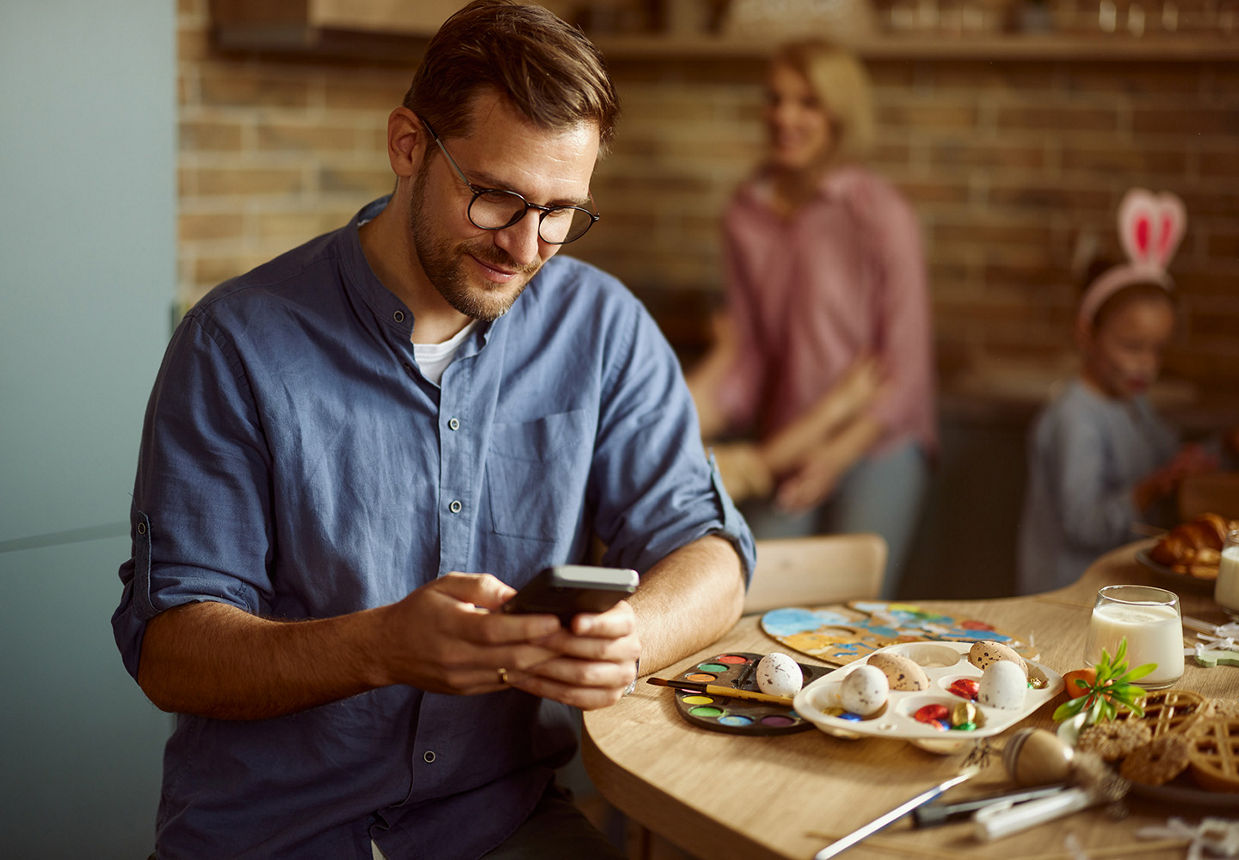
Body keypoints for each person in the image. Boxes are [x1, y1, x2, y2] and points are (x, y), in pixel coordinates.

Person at [110, 2, 754, 857]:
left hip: (502, 823)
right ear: (408, 144)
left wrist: (633, 638)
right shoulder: (235, 342)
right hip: (275, 833)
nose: (527, 247)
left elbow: (710, 553)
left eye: (562, 212)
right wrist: (378, 647)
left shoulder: (602, 328)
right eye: (496, 198)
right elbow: (172, 651)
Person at [686, 39, 936, 598]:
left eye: (808, 103)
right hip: (789, 437)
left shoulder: (881, 215)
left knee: (854, 614)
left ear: (839, 115)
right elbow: (748, 356)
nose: (785, 117)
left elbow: (907, 367)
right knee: (758, 600)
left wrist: (837, 452)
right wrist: (693, 411)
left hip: (879, 440)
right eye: (775, 100)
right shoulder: (744, 214)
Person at [1016, 188, 1239, 595]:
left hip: (1115, 588)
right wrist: (1152, 486)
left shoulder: (1134, 403)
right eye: (1131, 347)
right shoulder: (1074, 418)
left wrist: (1234, 444)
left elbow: (1173, 463)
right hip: (1067, 593)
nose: (1146, 363)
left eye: (1157, 349)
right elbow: (1083, 524)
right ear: (1086, 334)